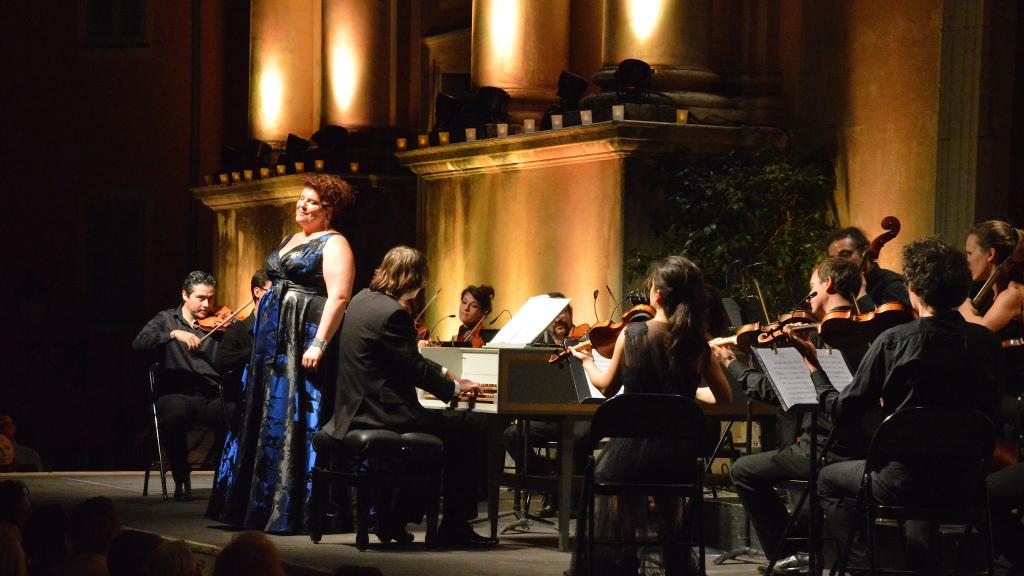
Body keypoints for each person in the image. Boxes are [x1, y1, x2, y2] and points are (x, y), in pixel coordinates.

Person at [785, 237, 1003, 569]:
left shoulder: (895, 341)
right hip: (966, 482)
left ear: (914, 289)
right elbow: (991, 414)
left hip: (904, 482)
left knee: (828, 478)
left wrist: (814, 367)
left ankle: (859, 567)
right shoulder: (987, 344)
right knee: (925, 488)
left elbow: (842, 412)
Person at [319, 246, 498, 548]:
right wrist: (454, 390)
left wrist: (446, 374)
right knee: (469, 428)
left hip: (354, 407)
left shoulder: (363, 300)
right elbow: (413, 367)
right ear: (414, 279)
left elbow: (403, 358)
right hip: (379, 411)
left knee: (434, 435)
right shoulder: (393, 314)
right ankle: (454, 524)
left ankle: (395, 519)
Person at [206, 174, 356, 534]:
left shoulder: (335, 244)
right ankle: (258, 502)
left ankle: (296, 505)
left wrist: (319, 343)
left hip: (303, 333)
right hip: (274, 340)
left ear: (328, 210)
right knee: (266, 413)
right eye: (301, 198)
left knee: (296, 413)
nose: (301, 205)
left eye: (311, 201)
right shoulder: (291, 239)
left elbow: (338, 296)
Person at [569, 255, 733, 575]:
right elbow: (723, 398)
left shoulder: (632, 335)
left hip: (630, 457)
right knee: (667, 485)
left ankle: (622, 559)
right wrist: (686, 395)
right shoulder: (697, 343)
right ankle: (675, 560)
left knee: (611, 475)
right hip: (678, 460)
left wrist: (586, 360)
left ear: (656, 295)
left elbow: (605, 388)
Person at [712, 257, 874, 573]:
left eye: (812, 289)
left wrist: (732, 365)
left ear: (828, 284)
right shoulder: (867, 334)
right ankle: (802, 549)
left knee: (743, 470)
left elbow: (782, 394)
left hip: (826, 449)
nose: (808, 297)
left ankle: (791, 551)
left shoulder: (820, 337)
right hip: (859, 446)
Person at [132, 270, 228, 500]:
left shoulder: (221, 323)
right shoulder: (166, 320)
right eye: (201, 298)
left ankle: (225, 481)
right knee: (174, 417)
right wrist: (173, 334)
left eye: (211, 298)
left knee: (233, 414)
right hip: (175, 393)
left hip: (209, 394)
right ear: (185, 295)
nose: (207, 304)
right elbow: (139, 343)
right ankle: (181, 478)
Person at [504, 293, 591, 517]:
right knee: (512, 435)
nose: (558, 318)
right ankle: (550, 479)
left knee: (579, 437)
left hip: (577, 416)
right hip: (545, 418)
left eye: (563, 312)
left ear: (571, 316)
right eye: (553, 314)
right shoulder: (534, 347)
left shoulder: (584, 343)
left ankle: (567, 496)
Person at [958, 220, 1024, 441]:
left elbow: (983, 331)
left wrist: (964, 308)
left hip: (1011, 392)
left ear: (990, 254)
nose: (966, 260)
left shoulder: (1014, 293)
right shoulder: (986, 292)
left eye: (969, 253)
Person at [214, 269, 273, 404]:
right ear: (257, 292)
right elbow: (221, 362)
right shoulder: (238, 329)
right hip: (245, 397)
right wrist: (254, 351)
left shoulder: (284, 329)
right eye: (272, 292)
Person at [826, 227, 910, 309]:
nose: (838, 264)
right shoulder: (846, 290)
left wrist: (862, 296)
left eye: (845, 255)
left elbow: (887, 323)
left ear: (864, 251)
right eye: (834, 260)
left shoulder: (893, 285)